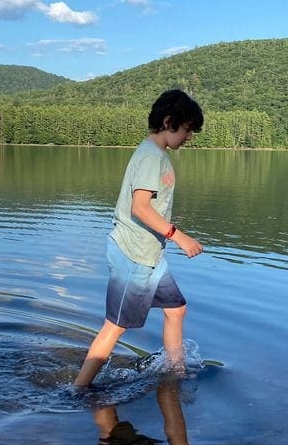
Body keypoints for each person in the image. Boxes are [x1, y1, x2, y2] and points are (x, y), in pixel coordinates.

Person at [74, 88, 204, 387]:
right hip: (134, 256)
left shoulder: (155, 155)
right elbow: (140, 208)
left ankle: (175, 371)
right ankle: (78, 389)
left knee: (176, 308)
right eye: (186, 130)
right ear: (169, 123)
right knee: (115, 327)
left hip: (151, 256)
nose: (189, 137)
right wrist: (179, 236)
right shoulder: (151, 158)